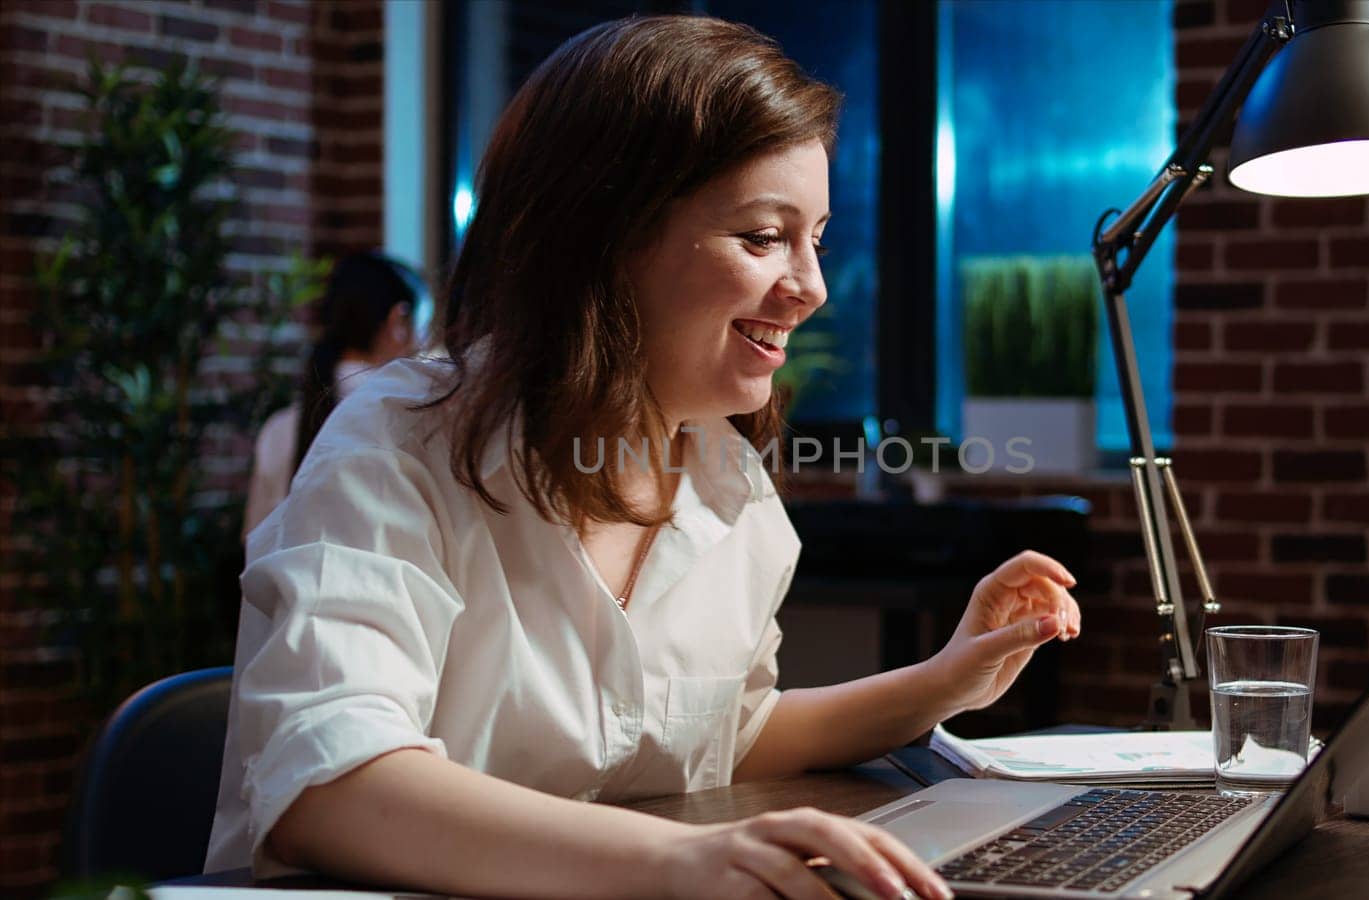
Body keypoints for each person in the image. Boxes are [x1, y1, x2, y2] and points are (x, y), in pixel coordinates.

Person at [206, 15, 1083, 900]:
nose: (812, 287)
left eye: (815, 236)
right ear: (603, 239)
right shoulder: (399, 443)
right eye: (762, 237)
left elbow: (728, 733)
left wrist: (943, 681)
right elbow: (330, 789)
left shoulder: (727, 483)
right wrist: (675, 862)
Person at [241, 252, 422, 537]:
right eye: (426, 324)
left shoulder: (280, 429)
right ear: (398, 321)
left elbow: (255, 543)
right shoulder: (411, 421)